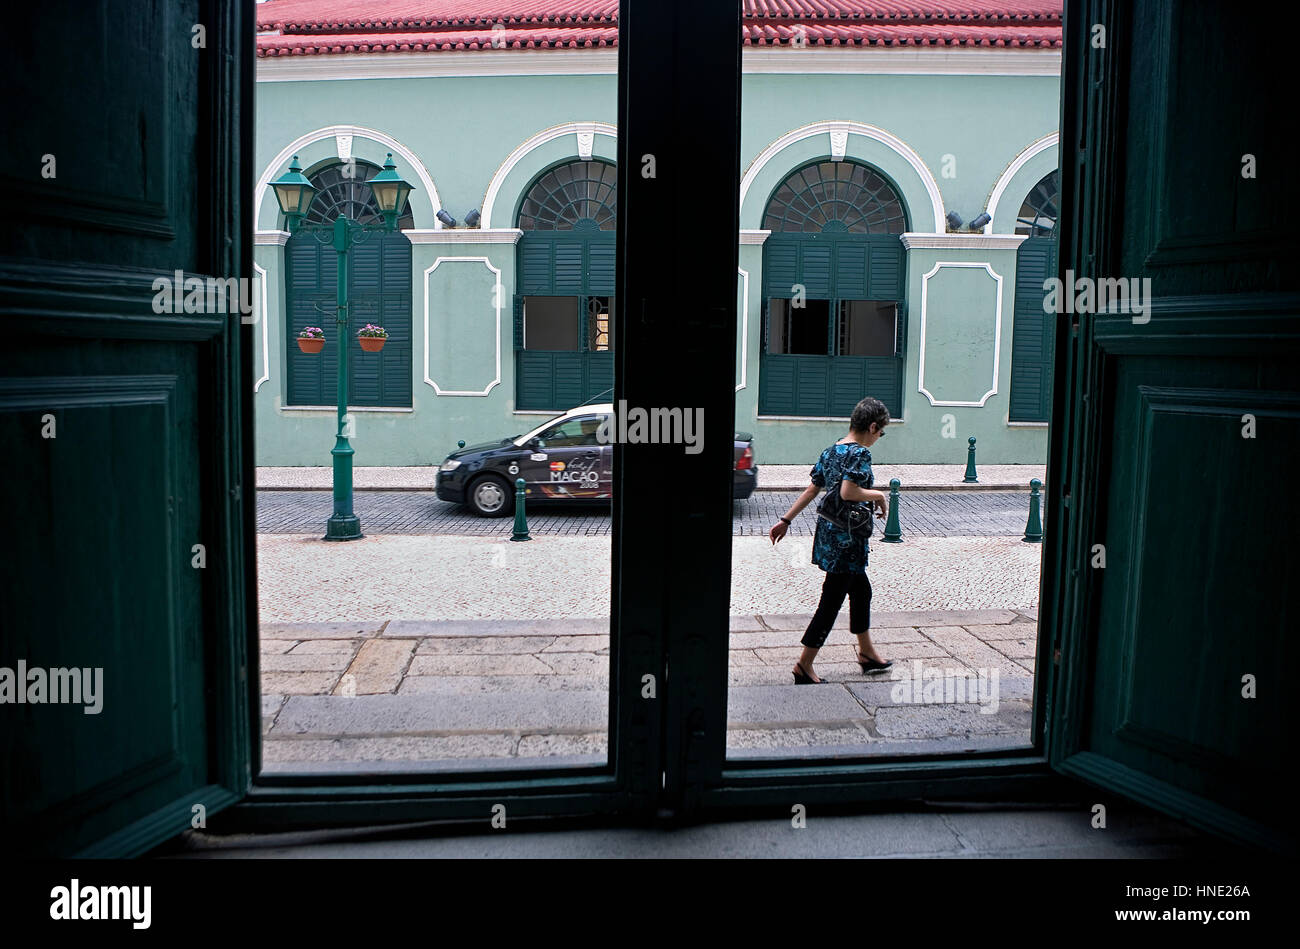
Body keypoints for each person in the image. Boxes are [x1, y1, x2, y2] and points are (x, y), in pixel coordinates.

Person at [768, 397, 894, 684]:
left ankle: (867, 653)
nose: (878, 438)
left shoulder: (831, 451)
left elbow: (813, 490)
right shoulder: (860, 454)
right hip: (847, 540)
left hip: (829, 534)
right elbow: (849, 493)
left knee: (861, 591)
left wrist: (785, 520)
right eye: (880, 432)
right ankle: (804, 664)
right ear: (872, 427)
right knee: (832, 599)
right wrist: (879, 496)